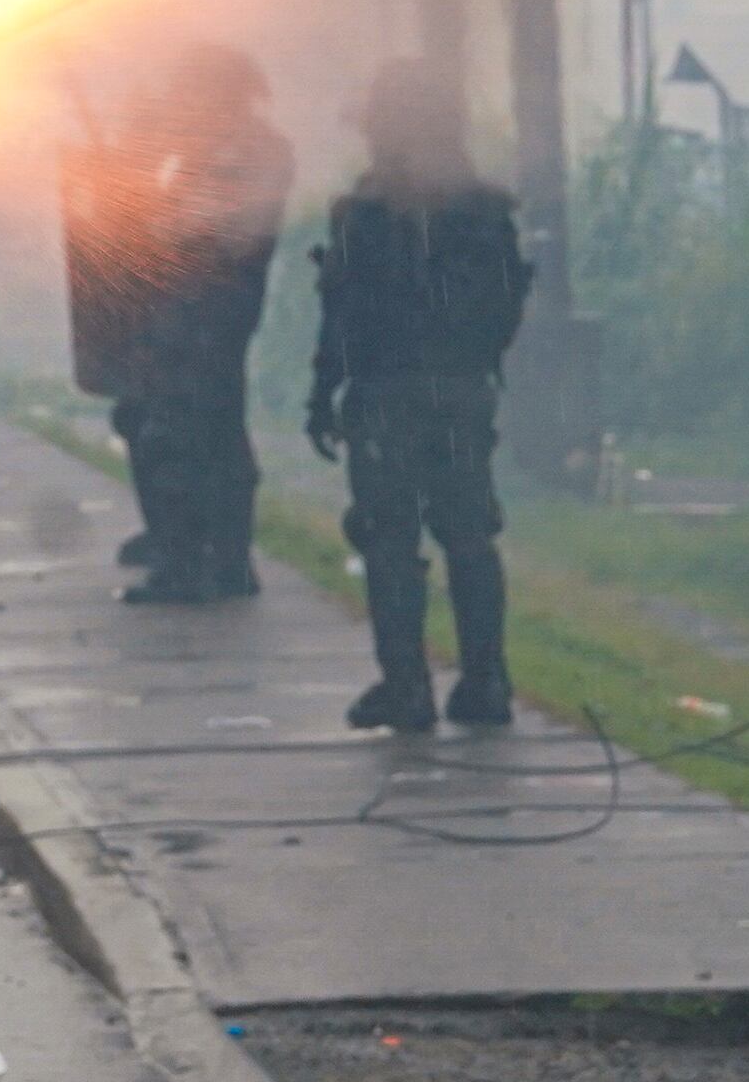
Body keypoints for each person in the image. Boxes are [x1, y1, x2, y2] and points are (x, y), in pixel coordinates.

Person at [304, 58, 531, 734]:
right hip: (462, 392)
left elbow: (341, 316)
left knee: (390, 539)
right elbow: (506, 308)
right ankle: (486, 681)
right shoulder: (486, 210)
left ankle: (406, 686)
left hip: (387, 396)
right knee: (469, 533)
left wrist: (323, 393)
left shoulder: (367, 213)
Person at [64, 47, 289, 604]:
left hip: (207, 310)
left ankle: (199, 560)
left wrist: (134, 215)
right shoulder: (208, 149)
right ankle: (188, 545)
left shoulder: (247, 152)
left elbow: (198, 227)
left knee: (182, 432)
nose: (182, 105)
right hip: (187, 309)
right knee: (168, 422)